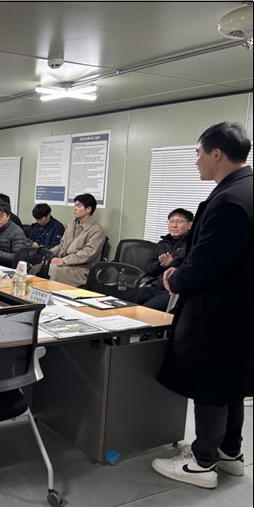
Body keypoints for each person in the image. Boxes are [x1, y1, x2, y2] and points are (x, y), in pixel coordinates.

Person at [152, 122, 253, 489]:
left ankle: (202, 462)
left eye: (198, 153)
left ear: (217, 154)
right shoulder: (246, 189)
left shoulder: (229, 200)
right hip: (242, 310)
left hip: (218, 312)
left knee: (209, 384)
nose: (195, 160)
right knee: (231, 384)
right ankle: (229, 453)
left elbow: (208, 262)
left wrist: (174, 278)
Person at [137, 208, 193, 311]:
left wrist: (172, 263)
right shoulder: (162, 243)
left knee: (144, 311)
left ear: (190, 225)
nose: (174, 225)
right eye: (171, 221)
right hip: (154, 286)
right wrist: (161, 265)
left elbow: (190, 271)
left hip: (172, 291)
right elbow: (148, 268)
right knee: (120, 302)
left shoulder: (193, 245)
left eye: (179, 221)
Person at [48, 193, 105, 286]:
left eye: (78, 206)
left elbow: (87, 254)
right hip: (65, 264)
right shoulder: (72, 224)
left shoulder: (97, 230)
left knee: (52, 271)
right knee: (39, 266)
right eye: (75, 206)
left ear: (88, 209)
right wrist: (48, 253)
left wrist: (64, 261)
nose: (75, 208)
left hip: (82, 269)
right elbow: (62, 245)